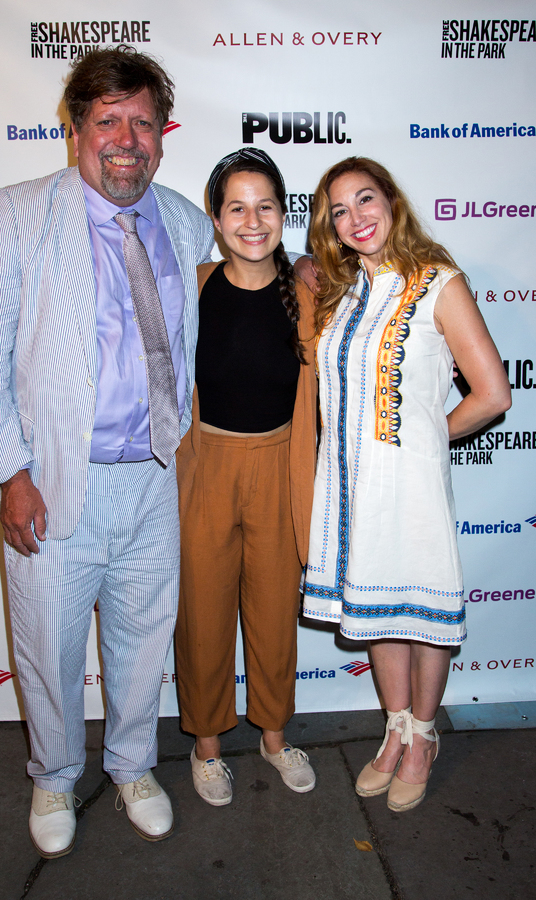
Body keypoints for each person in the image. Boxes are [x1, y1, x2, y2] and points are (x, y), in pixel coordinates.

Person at [0, 46, 214, 856]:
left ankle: (135, 764)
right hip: (56, 483)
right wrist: (12, 474)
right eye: (108, 121)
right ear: (77, 129)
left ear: (163, 136)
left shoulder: (182, 220)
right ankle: (54, 774)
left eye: (143, 122)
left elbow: (248, 283)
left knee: (143, 641)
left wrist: (308, 270)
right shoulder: (19, 212)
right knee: (49, 647)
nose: (127, 139)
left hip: (153, 481)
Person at [302, 157, 511, 812]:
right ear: (330, 226)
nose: (355, 218)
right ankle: (393, 730)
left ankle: (423, 738)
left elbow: (493, 394)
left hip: (409, 483)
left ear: (392, 202)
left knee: (420, 615)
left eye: (365, 200)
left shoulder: (437, 281)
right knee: (379, 611)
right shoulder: (342, 293)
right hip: (346, 484)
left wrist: (427, 438)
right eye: (339, 210)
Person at [175, 149, 318, 806]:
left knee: (271, 615)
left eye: (266, 206)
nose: (252, 220)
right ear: (215, 216)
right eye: (237, 206)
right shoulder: (192, 282)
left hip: (281, 467)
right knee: (202, 614)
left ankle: (273, 735)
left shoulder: (311, 289)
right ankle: (206, 746)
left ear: (284, 215)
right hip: (205, 465)